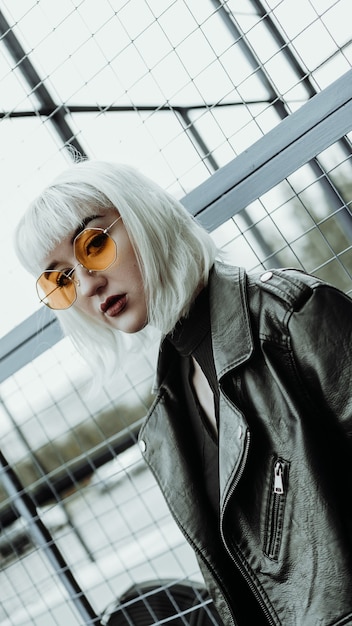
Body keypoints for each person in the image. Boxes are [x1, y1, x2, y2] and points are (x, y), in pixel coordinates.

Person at [15, 159, 352, 626]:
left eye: (94, 245)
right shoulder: (170, 404)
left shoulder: (288, 319)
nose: (88, 284)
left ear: (144, 215)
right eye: (62, 278)